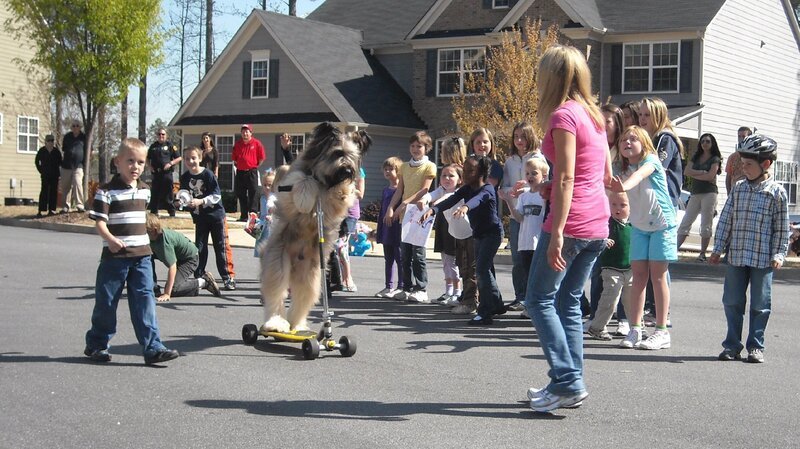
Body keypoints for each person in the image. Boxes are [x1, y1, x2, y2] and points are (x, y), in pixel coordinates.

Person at [523, 44, 610, 412]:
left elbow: (567, 178)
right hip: (597, 222)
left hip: (572, 223)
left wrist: (556, 232)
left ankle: (568, 381)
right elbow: (599, 173)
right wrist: (550, 185)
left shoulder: (563, 116)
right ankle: (569, 382)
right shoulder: (594, 115)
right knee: (567, 302)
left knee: (538, 300)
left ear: (551, 78)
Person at [83, 137, 179, 365]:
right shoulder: (106, 192)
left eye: (140, 162)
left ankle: (152, 347)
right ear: (117, 162)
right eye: (130, 161)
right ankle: (97, 344)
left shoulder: (145, 191)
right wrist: (110, 240)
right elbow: (100, 223)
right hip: (114, 257)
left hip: (142, 257)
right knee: (107, 302)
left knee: (145, 300)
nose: (135, 166)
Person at [710, 134, 789, 364]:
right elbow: (726, 219)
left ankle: (756, 346)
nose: (743, 168)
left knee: (760, 305)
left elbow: (781, 228)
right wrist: (718, 247)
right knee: (732, 302)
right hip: (736, 255)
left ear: (766, 164)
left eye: (748, 164)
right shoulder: (739, 189)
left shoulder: (776, 192)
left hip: (763, 259)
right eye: (742, 164)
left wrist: (779, 253)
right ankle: (732, 345)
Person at [609, 125, 677, 350]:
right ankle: (635, 329)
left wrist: (622, 186)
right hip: (639, 227)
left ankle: (662, 331)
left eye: (633, 139)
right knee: (638, 277)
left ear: (645, 144)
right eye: (623, 140)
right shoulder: (624, 169)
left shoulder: (651, 161)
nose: (627, 142)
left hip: (662, 225)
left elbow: (639, 177)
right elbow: (607, 182)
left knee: (658, 277)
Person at [422, 155, 504, 325]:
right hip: (478, 234)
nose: (465, 173)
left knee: (481, 270)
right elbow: (451, 199)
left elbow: (477, 200)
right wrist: (433, 210)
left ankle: (485, 313)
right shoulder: (467, 188)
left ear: (481, 172)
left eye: (470, 170)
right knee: (485, 270)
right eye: (465, 169)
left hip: (492, 234)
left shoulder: (488, 189)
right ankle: (496, 304)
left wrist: (465, 207)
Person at [384, 131, 437, 303]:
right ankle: (406, 287)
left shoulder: (429, 166)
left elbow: (424, 190)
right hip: (404, 215)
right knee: (405, 253)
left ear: (426, 148)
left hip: (420, 213)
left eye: (419, 146)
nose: (415, 149)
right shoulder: (405, 167)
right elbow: (399, 189)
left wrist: (405, 203)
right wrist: (391, 207)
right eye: (413, 146)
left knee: (418, 253)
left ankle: (421, 288)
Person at [179, 146, 237, 291]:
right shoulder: (185, 177)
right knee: (200, 247)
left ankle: (228, 277)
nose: (190, 161)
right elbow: (184, 195)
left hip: (216, 216)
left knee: (221, 246)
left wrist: (201, 201)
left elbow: (216, 196)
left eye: (193, 158)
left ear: (200, 158)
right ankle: (199, 275)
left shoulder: (208, 175)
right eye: (187, 158)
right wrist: (180, 203)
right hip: (200, 218)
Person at [501, 122, 543, 311]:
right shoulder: (510, 161)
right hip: (516, 212)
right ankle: (520, 296)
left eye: (523, 137)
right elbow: (505, 186)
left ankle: (534, 298)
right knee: (518, 258)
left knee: (534, 258)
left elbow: (541, 183)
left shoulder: (538, 157)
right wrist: (513, 192)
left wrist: (524, 189)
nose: (519, 140)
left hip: (535, 214)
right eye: (516, 136)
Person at [504, 157, 549, 316]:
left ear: (544, 175)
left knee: (539, 277)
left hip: (540, 242)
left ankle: (539, 307)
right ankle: (530, 306)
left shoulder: (545, 196)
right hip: (525, 243)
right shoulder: (524, 197)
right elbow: (519, 217)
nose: (530, 176)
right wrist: (509, 201)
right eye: (527, 173)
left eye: (534, 173)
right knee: (528, 277)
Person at [586, 191, 632, 340]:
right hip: (611, 269)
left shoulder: (634, 225)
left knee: (632, 301)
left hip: (630, 270)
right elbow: (595, 234)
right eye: (613, 205)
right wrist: (603, 240)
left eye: (623, 205)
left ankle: (636, 327)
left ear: (631, 207)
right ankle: (597, 327)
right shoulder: (607, 223)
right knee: (609, 300)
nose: (618, 208)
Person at [440, 137, 478, 315]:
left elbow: (458, 196)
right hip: (453, 223)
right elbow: (441, 195)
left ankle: (469, 298)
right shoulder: (449, 173)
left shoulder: (465, 173)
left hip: (467, 224)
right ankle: (462, 295)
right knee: (459, 261)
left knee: (469, 263)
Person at [146, 214, 221, 301]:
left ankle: (204, 282)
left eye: (146, 231)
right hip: (179, 257)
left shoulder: (164, 243)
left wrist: (167, 293)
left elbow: (172, 267)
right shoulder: (152, 238)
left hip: (190, 259)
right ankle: (153, 287)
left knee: (173, 289)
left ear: (154, 230)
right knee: (146, 255)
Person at [418, 163, 463, 306]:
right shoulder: (441, 190)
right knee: (445, 261)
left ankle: (457, 293)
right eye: (444, 175)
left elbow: (449, 198)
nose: (447, 178)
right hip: (442, 230)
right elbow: (431, 195)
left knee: (454, 263)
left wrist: (436, 203)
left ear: (460, 179)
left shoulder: (459, 193)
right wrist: (424, 199)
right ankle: (448, 291)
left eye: (451, 176)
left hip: (454, 231)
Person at [677, 133, 722, 261]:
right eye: (702, 141)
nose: (705, 144)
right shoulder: (696, 157)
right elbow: (686, 171)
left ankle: (702, 254)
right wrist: (702, 172)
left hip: (709, 193)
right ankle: (674, 249)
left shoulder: (715, 159)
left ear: (712, 143)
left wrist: (695, 174)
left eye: (707, 141)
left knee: (706, 223)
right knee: (686, 221)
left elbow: (710, 176)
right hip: (695, 193)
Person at [374, 157, 404, 298]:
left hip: (397, 227)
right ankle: (388, 286)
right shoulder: (386, 190)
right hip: (387, 227)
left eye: (391, 169)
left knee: (399, 257)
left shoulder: (401, 190)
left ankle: (401, 285)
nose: (387, 172)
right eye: (385, 169)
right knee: (388, 258)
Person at [336, 165, 365, 292]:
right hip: (335, 212)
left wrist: (346, 189)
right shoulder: (335, 169)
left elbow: (360, 194)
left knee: (341, 246)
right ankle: (336, 279)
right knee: (333, 248)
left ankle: (348, 278)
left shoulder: (359, 171)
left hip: (350, 214)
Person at [232, 124, 265, 221]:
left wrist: (254, 166)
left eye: (247, 132)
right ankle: (243, 216)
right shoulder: (237, 144)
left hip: (252, 172)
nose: (245, 134)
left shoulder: (257, 143)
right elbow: (235, 159)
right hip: (240, 172)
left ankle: (252, 215)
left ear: (251, 133)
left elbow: (261, 158)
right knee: (241, 193)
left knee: (253, 192)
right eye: (243, 132)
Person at [146, 127, 181, 217]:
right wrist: (150, 167)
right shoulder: (153, 146)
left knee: (168, 193)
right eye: (159, 134)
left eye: (163, 134)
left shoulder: (170, 145)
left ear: (166, 135)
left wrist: (170, 163)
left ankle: (172, 212)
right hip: (156, 173)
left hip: (166, 173)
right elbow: (147, 158)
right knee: (155, 192)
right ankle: (154, 212)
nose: (161, 136)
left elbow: (179, 158)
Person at [59, 120, 86, 213]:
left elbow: (89, 151)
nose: (75, 127)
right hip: (66, 166)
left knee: (77, 183)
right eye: (73, 126)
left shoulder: (84, 137)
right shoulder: (67, 137)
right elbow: (64, 150)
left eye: (77, 126)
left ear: (80, 127)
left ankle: (80, 205)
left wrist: (85, 163)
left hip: (78, 166)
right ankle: (66, 206)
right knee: (66, 187)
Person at [35, 134, 61, 217]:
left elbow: (60, 163)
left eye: (52, 141)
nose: (50, 142)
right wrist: (41, 170)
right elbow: (37, 161)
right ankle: (41, 210)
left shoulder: (56, 152)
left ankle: (51, 209)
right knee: (44, 191)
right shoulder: (42, 151)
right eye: (49, 141)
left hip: (54, 175)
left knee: (53, 192)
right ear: (45, 142)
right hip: (45, 175)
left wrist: (59, 174)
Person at [725, 126, 753, 194]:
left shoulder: (754, 156)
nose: (741, 139)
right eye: (739, 136)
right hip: (735, 191)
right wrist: (729, 193)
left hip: (749, 191)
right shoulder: (732, 157)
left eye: (743, 136)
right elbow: (728, 177)